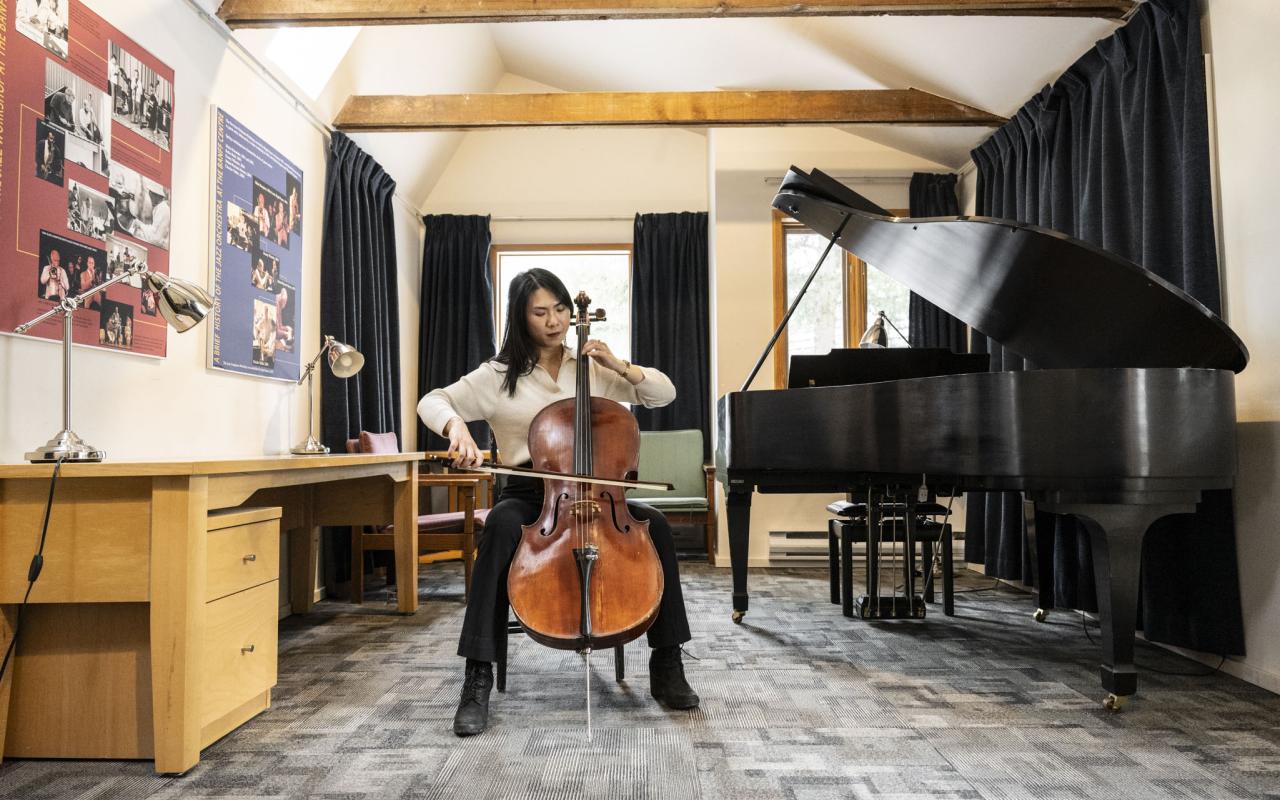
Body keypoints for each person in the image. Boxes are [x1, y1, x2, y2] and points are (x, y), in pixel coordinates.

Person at [417, 268, 699, 738]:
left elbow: (663, 393)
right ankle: (477, 676)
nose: (554, 321)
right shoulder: (498, 375)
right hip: (530, 493)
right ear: (521, 318)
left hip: (600, 492)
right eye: (540, 312)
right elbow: (433, 400)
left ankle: (667, 663)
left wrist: (619, 365)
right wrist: (457, 427)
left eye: (561, 309)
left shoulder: (594, 367)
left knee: (658, 525)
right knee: (501, 529)